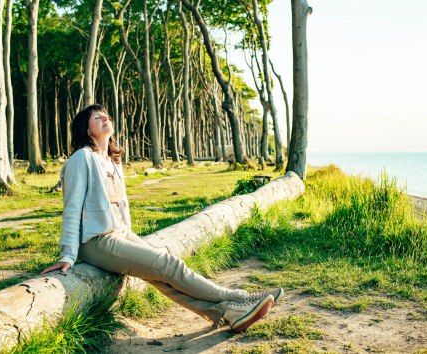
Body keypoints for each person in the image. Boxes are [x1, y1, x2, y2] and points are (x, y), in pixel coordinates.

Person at [41, 104, 283, 333]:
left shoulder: (113, 160)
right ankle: (239, 297)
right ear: (86, 128)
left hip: (119, 233)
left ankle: (227, 313)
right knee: (168, 264)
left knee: (159, 275)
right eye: (98, 117)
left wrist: (129, 234)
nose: (106, 118)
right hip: (95, 240)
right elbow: (71, 209)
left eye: (106, 115)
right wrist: (68, 255)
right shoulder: (81, 159)